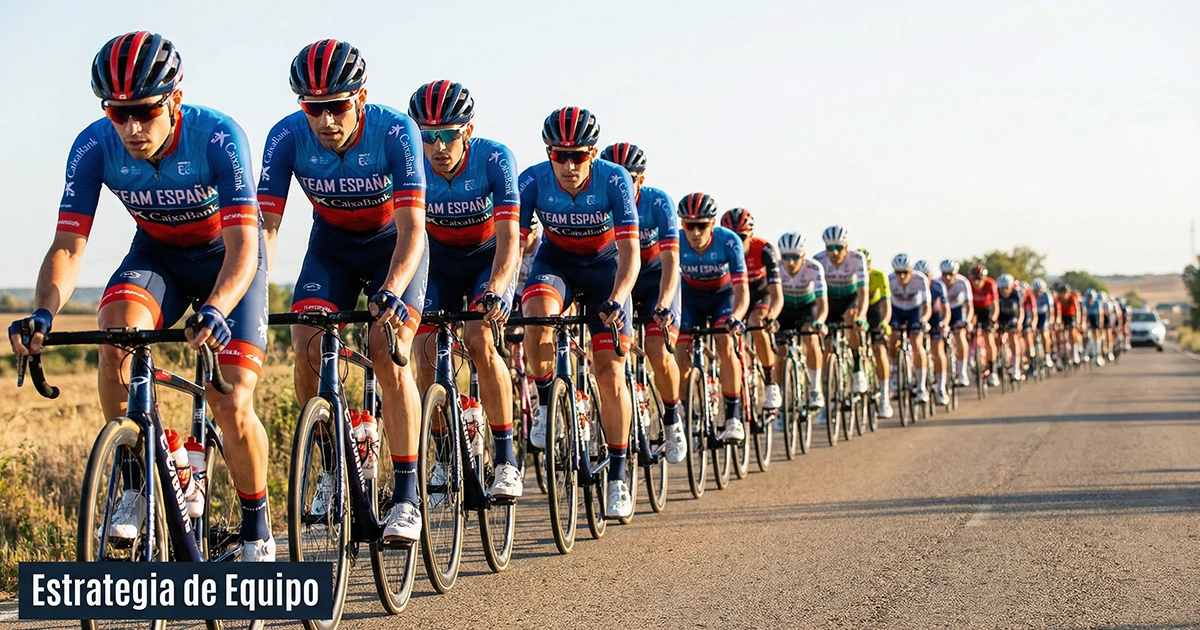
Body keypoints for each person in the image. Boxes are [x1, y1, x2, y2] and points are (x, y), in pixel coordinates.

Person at [9, 32, 274, 559]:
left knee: (231, 399)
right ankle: (134, 484)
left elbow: (246, 245)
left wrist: (218, 306)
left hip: (228, 260)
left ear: (175, 99)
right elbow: (68, 245)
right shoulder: (93, 145)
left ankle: (256, 529)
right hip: (158, 258)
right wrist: (43, 311)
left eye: (145, 112)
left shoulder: (220, 137)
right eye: (117, 113)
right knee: (115, 340)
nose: (130, 127)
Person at [257, 40, 429, 544]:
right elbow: (265, 228)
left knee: (384, 349)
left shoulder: (397, 131)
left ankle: (407, 495)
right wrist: (250, 287)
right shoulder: (286, 137)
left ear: (361, 97)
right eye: (314, 108)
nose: (326, 119)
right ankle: (335, 459)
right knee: (306, 345)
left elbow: (413, 228)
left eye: (337, 106)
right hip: (330, 249)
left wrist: (394, 289)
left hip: (392, 249)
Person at [519, 107, 640, 519]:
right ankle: (546, 401)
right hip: (558, 265)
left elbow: (630, 253)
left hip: (607, 271)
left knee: (609, 373)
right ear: (548, 152)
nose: (568, 166)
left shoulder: (614, 178)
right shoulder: (533, 180)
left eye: (579, 157)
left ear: (593, 154)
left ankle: (620, 476)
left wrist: (619, 297)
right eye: (559, 156)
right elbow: (512, 243)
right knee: (536, 315)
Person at [405, 80, 523, 499]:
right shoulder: (410, 161)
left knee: (478, 339)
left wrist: (495, 287)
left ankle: (506, 459)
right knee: (421, 353)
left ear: (467, 131)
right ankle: (440, 457)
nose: (437, 147)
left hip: (485, 263)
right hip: (437, 265)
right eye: (427, 136)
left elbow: (511, 237)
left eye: (448, 135)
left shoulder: (495, 158)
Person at [601, 142, 686, 463]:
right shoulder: (601, 203)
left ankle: (672, 417)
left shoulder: (658, 202)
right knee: (610, 358)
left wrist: (664, 303)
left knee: (657, 350)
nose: (625, 183)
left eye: (632, 177)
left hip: (655, 281)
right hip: (621, 281)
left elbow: (671, 262)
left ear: (642, 178)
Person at [673, 194, 749, 443]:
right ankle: (689, 412)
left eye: (701, 225)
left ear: (713, 223)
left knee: (725, 343)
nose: (694, 232)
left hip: (722, 298)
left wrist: (737, 317)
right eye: (688, 225)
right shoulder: (675, 240)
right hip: (691, 299)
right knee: (679, 348)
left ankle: (733, 417)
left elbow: (742, 291)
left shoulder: (729, 241)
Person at [720, 208, 783, 409]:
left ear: (751, 235)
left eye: (742, 237)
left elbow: (777, 294)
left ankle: (770, 381)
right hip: (735, 294)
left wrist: (771, 316)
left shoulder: (764, 250)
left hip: (759, 293)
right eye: (732, 237)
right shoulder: (720, 248)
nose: (737, 242)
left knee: (757, 323)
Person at [773, 232, 827, 421]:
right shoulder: (776, 268)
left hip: (807, 307)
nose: (790, 262)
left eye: (795, 257)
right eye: (786, 257)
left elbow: (822, 303)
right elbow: (771, 297)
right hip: (785, 308)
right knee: (780, 353)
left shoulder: (814, 268)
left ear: (803, 256)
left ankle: (815, 388)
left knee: (810, 337)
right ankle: (778, 400)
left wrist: (819, 321)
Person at [813, 227, 869, 393]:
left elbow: (863, 293)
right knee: (827, 347)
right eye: (830, 248)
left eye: (839, 247)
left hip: (850, 299)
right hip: (829, 301)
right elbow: (816, 296)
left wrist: (862, 315)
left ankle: (858, 367)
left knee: (852, 318)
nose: (835, 252)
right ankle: (826, 390)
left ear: (846, 246)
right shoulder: (819, 260)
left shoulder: (857, 259)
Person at [887, 254, 932, 413]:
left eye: (905, 272)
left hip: (915, 311)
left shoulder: (920, 280)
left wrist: (924, 319)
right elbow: (886, 303)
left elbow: (927, 305)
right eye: (898, 272)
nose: (902, 276)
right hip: (897, 311)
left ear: (911, 271)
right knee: (893, 339)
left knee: (916, 342)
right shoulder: (890, 280)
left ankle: (921, 386)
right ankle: (894, 371)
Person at [860, 248, 892, 413]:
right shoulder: (850, 276)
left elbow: (886, 304)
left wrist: (884, 322)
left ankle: (885, 397)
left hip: (874, 310)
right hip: (858, 310)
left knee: (879, 350)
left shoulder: (879, 276)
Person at [915, 261, 951, 405]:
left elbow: (946, 309)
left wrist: (944, 323)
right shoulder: (913, 286)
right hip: (918, 316)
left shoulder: (937, 286)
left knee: (937, 348)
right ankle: (919, 383)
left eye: (926, 276)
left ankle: (941, 387)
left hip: (936, 317)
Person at [940, 260, 974, 386]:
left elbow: (969, 305)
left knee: (960, 335)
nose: (947, 277)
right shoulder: (939, 283)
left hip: (958, 310)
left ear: (956, 274)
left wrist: (967, 321)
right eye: (944, 274)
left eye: (950, 274)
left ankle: (962, 372)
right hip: (944, 310)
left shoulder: (963, 283)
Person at [969, 264, 1000, 386]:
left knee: (989, 338)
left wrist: (992, 320)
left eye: (979, 279)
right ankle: (970, 359)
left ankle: (992, 371)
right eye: (974, 279)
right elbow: (968, 306)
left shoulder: (990, 284)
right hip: (974, 309)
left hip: (986, 309)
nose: (977, 282)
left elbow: (995, 306)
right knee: (968, 332)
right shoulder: (969, 284)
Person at [995, 274, 1025, 381]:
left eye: (1006, 288)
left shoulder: (1016, 294)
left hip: (1013, 316)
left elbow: (1021, 311)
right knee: (997, 339)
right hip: (1001, 316)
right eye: (1002, 288)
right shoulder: (997, 294)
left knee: (1013, 338)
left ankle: (1016, 368)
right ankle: (999, 359)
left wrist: (1019, 322)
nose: (1004, 291)